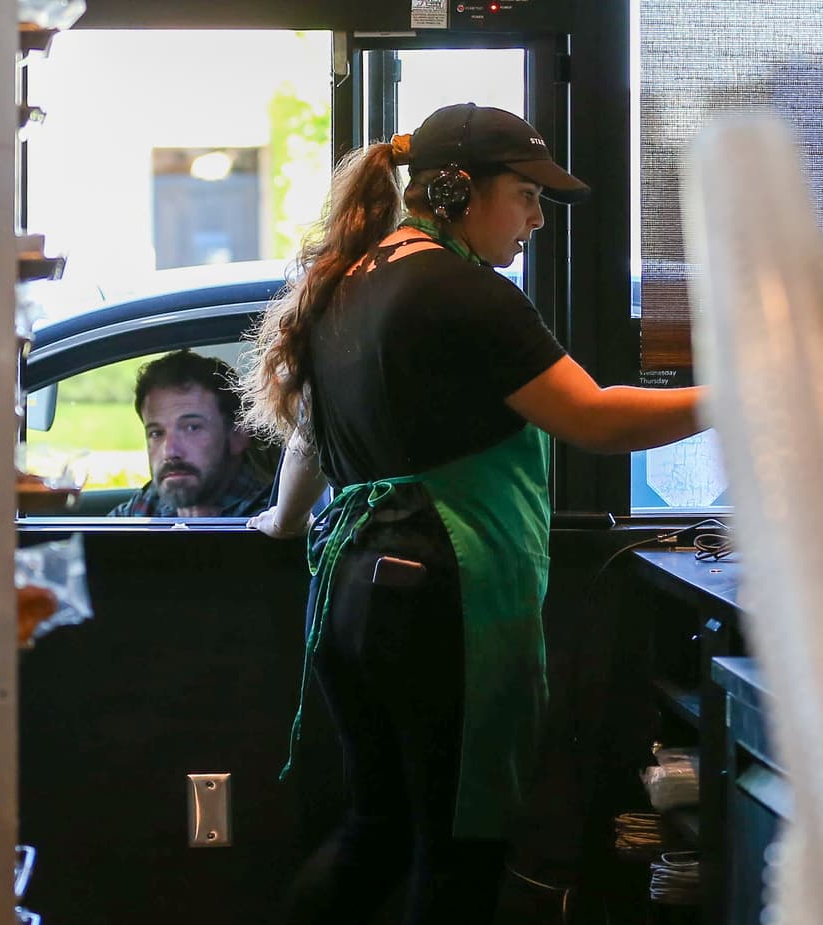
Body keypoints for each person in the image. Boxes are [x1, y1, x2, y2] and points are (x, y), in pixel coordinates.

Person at [238, 102, 705, 924]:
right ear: (457, 190)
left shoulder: (347, 276)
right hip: (435, 593)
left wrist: (281, 522)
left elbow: (309, 437)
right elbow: (596, 418)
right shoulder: (465, 293)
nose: (533, 219)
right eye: (524, 194)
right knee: (459, 853)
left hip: (349, 587)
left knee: (375, 830)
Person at [109, 349, 272, 518]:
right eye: (157, 433)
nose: (170, 452)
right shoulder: (149, 505)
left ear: (238, 435)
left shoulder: (270, 519)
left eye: (191, 428)